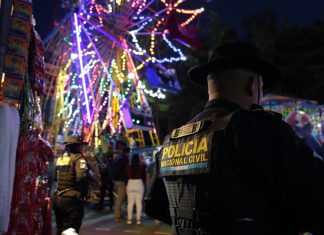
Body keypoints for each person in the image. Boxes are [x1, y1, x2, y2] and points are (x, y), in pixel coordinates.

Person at [146, 41, 324, 234]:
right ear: (253, 85)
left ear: (209, 88)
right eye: (261, 86)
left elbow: (154, 206)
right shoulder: (261, 130)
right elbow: (312, 207)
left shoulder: (172, 139)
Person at [53, 135, 90, 235]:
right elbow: (81, 177)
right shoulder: (79, 159)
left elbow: (54, 178)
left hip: (58, 198)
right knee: (71, 230)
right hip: (72, 199)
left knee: (60, 229)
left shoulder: (61, 159)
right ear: (77, 147)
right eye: (81, 146)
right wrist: (85, 193)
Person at [111, 142, 130, 220]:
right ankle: (117, 214)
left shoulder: (118, 158)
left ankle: (119, 213)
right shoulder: (124, 159)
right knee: (120, 197)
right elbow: (125, 171)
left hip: (117, 180)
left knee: (120, 197)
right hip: (121, 180)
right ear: (127, 152)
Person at [126, 154, 146, 225]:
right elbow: (144, 173)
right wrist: (142, 161)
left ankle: (129, 219)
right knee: (138, 203)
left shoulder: (128, 167)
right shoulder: (141, 167)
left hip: (130, 183)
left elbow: (126, 175)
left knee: (130, 203)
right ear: (138, 159)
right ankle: (138, 220)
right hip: (139, 183)